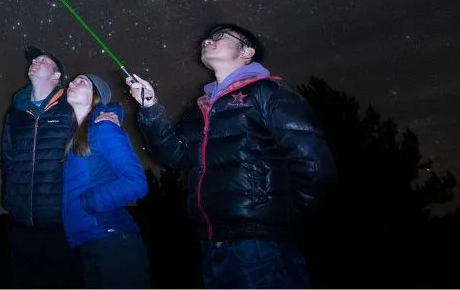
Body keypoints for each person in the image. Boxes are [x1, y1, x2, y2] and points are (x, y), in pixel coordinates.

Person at [125, 23, 336, 289]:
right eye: (206, 38)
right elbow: (175, 155)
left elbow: (314, 162)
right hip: (211, 241)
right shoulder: (201, 108)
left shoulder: (267, 92)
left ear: (247, 51)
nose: (206, 41)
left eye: (220, 37)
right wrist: (151, 109)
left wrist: (282, 217)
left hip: (260, 243)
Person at [0, 46, 118, 289]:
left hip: (61, 226)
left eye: (42, 59)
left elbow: (97, 105)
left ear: (56, 76)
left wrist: (113, 112)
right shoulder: (15, 114)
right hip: (20, 225)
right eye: (34, 59)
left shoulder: (69, 108)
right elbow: (7, 158)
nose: (34, 61)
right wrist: (10, 200)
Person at [62, 73, 151, 289]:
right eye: (72, 81)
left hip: (113, 242)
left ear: (95, 96)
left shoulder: (105, 128)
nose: (71, 83)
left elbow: (137, 183)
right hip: (88, 244)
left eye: (81, 81)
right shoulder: (74, 139)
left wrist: (90, 201)